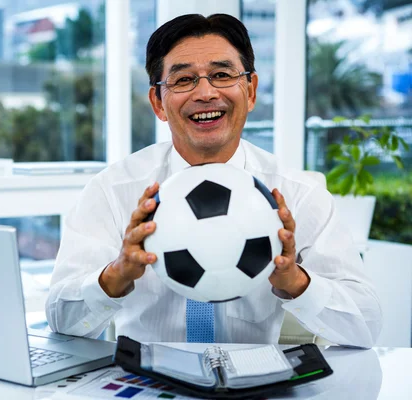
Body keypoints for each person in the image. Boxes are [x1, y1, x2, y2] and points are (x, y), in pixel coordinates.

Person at [45, 13, 382, 348]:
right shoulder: (113, 190)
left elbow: (366, 326)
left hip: (256, 385)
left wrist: (295, 280)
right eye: (183, 80)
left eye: (222, 75)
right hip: (144, 384)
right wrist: (116, 274)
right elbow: (62, 322)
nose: (205, 93)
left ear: (250, 91)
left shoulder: (299, 195)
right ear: (157, 103)